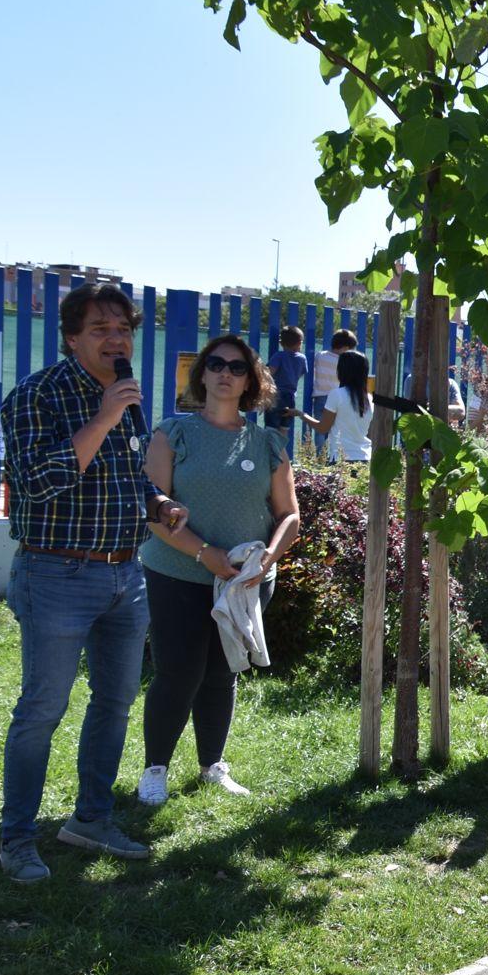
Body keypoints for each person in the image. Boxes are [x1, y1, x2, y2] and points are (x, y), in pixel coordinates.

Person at [0, 282, 190, 882]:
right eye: (101, 330)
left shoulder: (126, 396)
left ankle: (91, 818)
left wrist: (156, 503)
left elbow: (125, 476)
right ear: (72, 338)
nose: (116, 340)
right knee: (43, 708)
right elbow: (39, 483)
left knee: (114, 702)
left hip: (123, 574)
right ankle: (17, 838)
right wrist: (105, 415)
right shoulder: (37, 397)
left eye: (123, 330)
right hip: (55, 571)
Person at [134, 335, 299, 806]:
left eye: (238, 366)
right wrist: (205, 554)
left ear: (251, 380)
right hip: (179, 574)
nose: (226, 372)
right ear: (202, 374)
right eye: (216, 364)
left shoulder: (267, 442)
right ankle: (155, 770)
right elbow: (155, 512)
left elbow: (289, 515)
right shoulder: (173, 433)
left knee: (222, 672)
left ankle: (212, 766)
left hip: (246, 582)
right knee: (178, 672)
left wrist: (266, 559)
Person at [296, 350, 375, 463]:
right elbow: (370, 432)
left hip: (341, 459)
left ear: (342, 371)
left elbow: (323, 428)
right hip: (366, 457)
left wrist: (301, 415)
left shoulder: (336, 394)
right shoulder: (369, 398)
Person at [308, 327, 356, 461]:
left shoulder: (320, 355)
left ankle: (320, 457)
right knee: (335, 429)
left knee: (320, 428)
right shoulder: (344, 362)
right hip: (336, 398)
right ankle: (333, 457)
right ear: (345, 348)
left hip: (320, 397)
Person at [266, 324, 307, 434]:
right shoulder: (302, 358)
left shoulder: (278, 356)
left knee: (271, 428)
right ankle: (280, 449)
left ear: (281, 343)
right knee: (284, 428)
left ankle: (271, 450)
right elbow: (301, 373)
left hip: (275, 395)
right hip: (290, 397)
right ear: (299, 343)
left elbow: (269, 373)